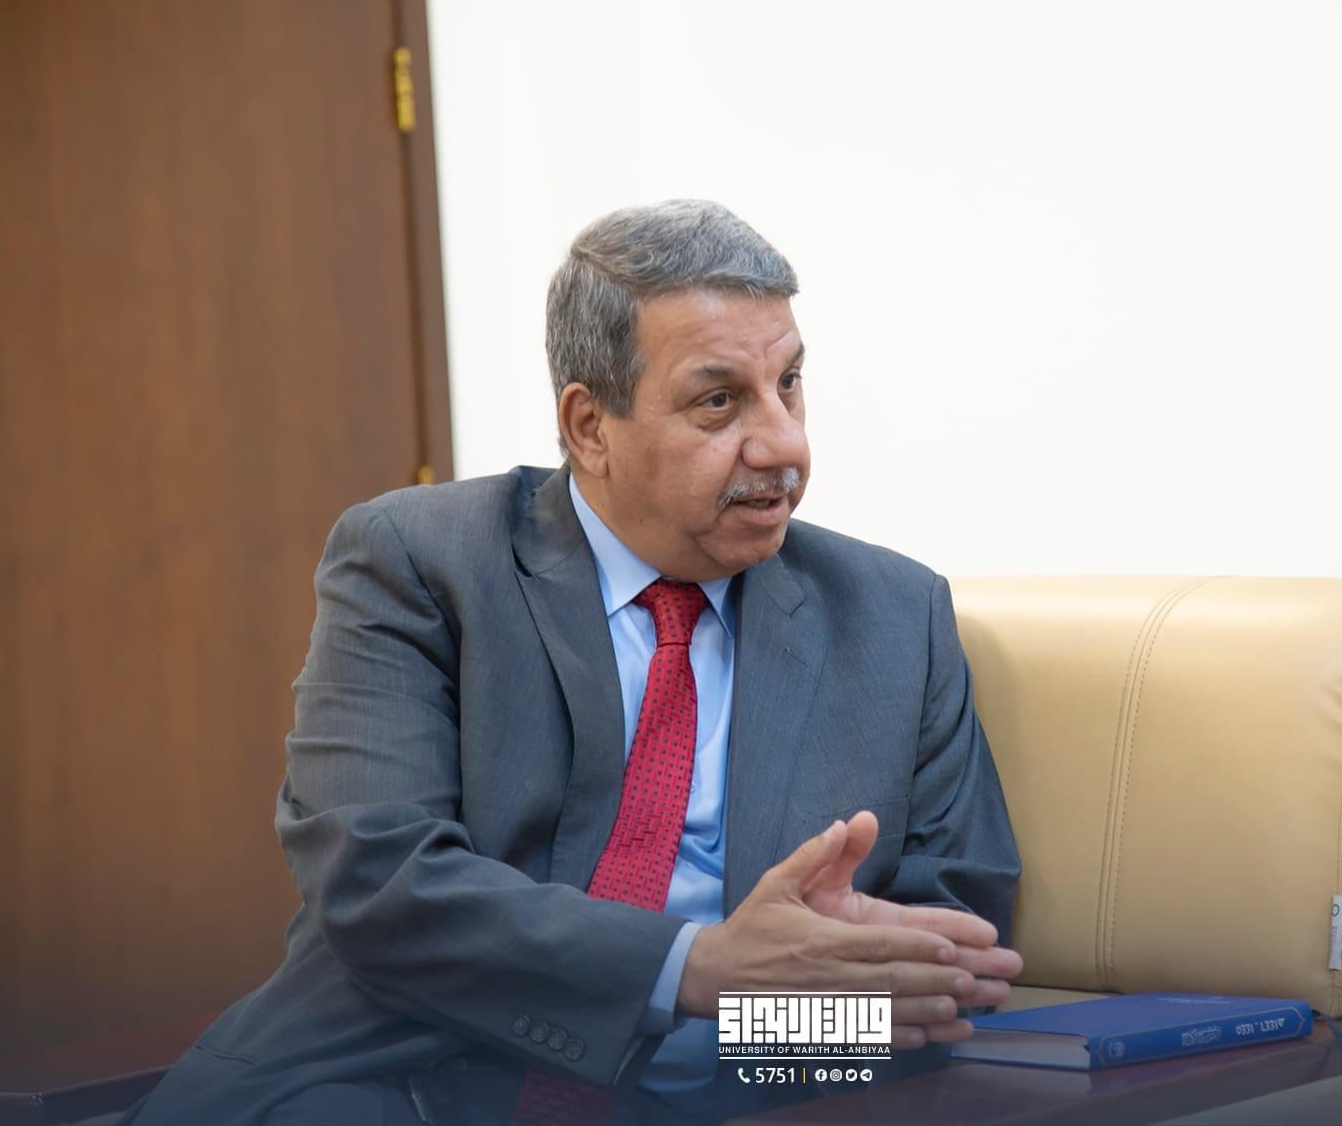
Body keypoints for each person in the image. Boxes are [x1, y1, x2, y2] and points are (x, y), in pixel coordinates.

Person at [125, 200, 1023, 1125]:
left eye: (788, 384)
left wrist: (761, 1016)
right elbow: (380, 883)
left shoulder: (894, 618)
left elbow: (947, 966)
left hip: (741, 1106)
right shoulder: (420, 562)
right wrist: (696, 971)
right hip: (406, 1084)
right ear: (590, 426)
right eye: (719, 401)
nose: (784, 444)